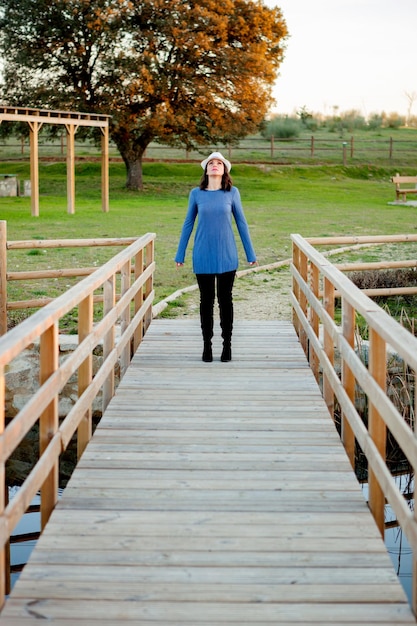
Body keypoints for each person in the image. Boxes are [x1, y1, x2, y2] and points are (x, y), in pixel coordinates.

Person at [175, 151, 257, 362]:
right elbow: (188, 224)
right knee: (206, 301)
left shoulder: (232, 193)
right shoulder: (196, 194)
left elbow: (241, 223)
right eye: (211, 162)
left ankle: (227, 345)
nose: (214, 165)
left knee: (225, 300)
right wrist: (180, 253)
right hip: (202, 255)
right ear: (206, 169)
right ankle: (207, 346)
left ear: (224, 170)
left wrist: (250, 253)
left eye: (219, 163)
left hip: (227, 255)